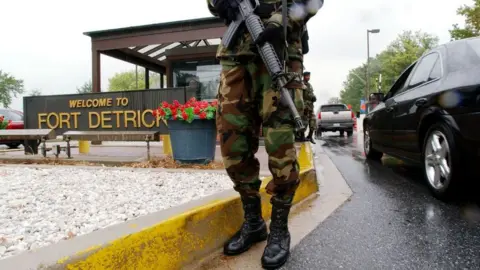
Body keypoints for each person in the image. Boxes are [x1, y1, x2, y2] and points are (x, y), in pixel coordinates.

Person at [207, 0, 323, 269]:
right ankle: (254, 222)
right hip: (235, 57)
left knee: (280, 144)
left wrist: (278, 22)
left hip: (278, 53)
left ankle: (279, 228)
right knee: (233, 144)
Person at [302, 71, 317, 144]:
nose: (308, 77)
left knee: (313, 121)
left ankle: (310, 136)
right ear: (304, 76)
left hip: (311, 106)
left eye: (309, 76)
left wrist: (314, 97)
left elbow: (311, 94)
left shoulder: (310, 85)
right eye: (307, 76)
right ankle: (301, 136)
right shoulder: (301, 84)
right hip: (304, 106)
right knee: (304, 122)